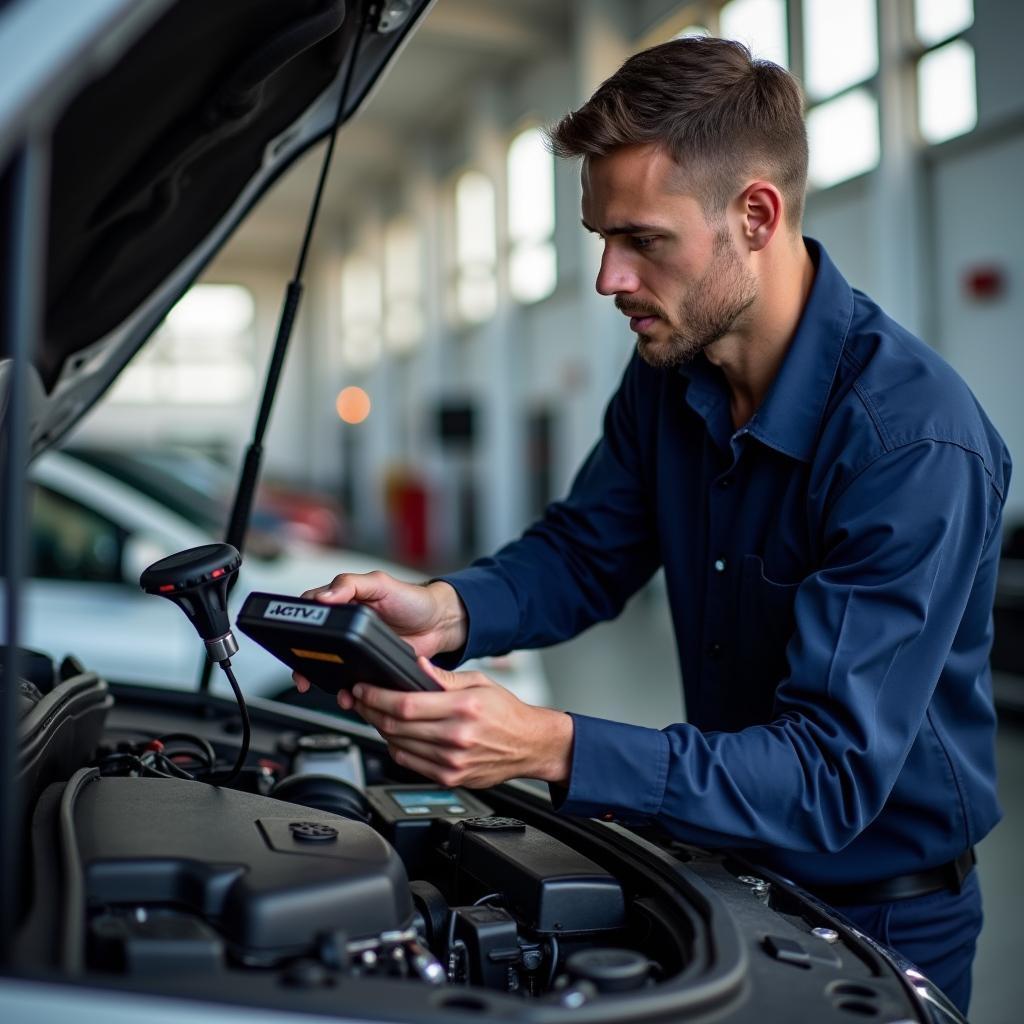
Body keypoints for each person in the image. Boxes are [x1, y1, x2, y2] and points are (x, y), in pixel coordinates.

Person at [295, 37, 1008, 1013]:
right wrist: (440, 608)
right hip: (711, 875)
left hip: (878, 921)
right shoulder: (669, 377)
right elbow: (585, 552)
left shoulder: (909, 442)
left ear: (754, 214)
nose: (608, 280)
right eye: (598, 239)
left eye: (641, 240)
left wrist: (550, 744)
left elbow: (830, 772)